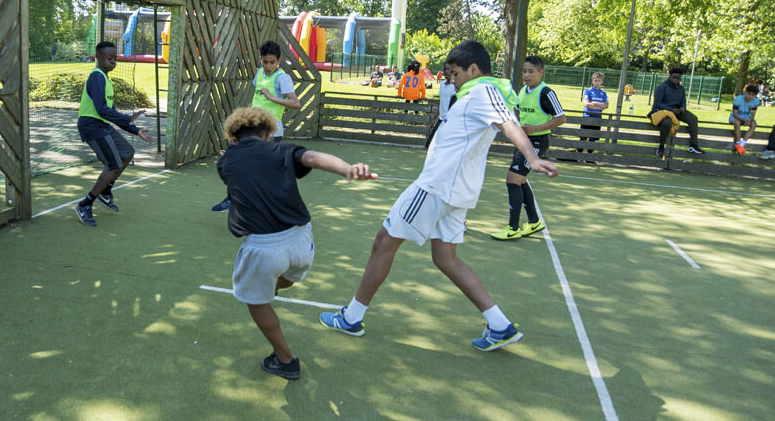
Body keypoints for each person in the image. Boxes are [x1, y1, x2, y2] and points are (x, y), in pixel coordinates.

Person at [319, 40, 558, 352]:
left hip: (437, 187)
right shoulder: (478, 92)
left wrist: (532, 157)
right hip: (454, 191)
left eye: (456, 73)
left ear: (474, 69)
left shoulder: (484, 91)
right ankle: (500, 325)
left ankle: (351, 317)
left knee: (383, 241)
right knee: (445, 258)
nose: (452, 80)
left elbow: (509, 124)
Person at [217, 107, 376, 379]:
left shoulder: (226, 162)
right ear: (268, 134)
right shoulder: (282, 150)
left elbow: (240, 173)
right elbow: (312, 158)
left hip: (264, 247)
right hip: (302, 240)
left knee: (256, 303)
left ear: (233, 138)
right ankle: (274, 288)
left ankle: (285, 360)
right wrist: (347, 169)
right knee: (285, 277)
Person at [211, 40, 300, 212]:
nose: (268, 66)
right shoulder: (259, 73)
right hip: (251, 128)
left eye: (272, 62)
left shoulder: (282, 78)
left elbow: (295, 103)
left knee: (261, 171)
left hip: (270, 131)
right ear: (261, 60)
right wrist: (249, 111)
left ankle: (276, 205)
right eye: (265, 62)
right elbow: (257, 96)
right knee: (235, 162)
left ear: (279, 61)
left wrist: (271, 97)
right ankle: (233, 199)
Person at [74, 41, 153, 227]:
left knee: (127, 152)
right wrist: (128, 118)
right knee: (113, 164)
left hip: (101, 124)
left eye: (115, 58)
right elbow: (101, 110)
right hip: (91, 126)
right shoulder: (96, 77)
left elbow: (111, 114)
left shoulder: (106, 80)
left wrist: (135, 130)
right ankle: (85, 204)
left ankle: (105, 191)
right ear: (98, 57)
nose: (113, 62)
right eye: (109, 58)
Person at [490, 55, 565, 241]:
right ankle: (534, 222)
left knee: (512, 180)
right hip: (524, 141)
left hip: (537, 142)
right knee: (520, 180)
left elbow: (561, 118)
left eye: (531, 71)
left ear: (541, 72)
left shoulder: (546, 93)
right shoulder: (523, 90)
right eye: (524, 71)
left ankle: (513, 228)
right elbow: (516, 109)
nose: (526, 75)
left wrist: (536, 128)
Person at [649, 68, 705, 157]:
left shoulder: (681, 88)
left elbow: (683, 101)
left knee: (693, 119)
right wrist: (670, 109)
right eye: (674, 77)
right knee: (667, 123)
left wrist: (683, 108)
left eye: (678, 78)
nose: (676, 79)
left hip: (677, 111)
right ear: (670, 77)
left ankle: (693, 145)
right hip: (664, 112)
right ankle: (661, 146)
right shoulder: (662, 87)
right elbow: (657, 103)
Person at [425, 62, 456, 148]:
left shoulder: (455, 86)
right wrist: (434, 118)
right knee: (429, 144)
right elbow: (442, 103)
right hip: (441, 119)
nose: (446, 72)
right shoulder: (442, 84)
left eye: (448, 69)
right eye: (445, 69)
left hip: (450, 121)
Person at [578, 72, 608, 156]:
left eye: (599, 81)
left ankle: (589, 157)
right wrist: (600, 107)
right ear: (592, 81)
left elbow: (606, 105)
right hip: (587, 117)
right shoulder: (588, 91)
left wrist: (594, 103)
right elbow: (587, 104)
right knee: (583, 138)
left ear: (602, 81)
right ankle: (578, 156)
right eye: (595, 81)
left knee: (593, 139)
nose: (597, 83)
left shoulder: (603, 93)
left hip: (597, 118)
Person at [729, 84, 759, 154]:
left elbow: (753, 114)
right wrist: (744, 120)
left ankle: (743, 142)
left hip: (746, 117)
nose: (750, 96)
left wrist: (750, 120)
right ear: (745, 92)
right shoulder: (738, 99)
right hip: (736, 117)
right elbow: (735, 114)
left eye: (753, 95)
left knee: (754, 124)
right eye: (748, 94)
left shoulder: (756, 102)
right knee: (737, 122)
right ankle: (738, 142)